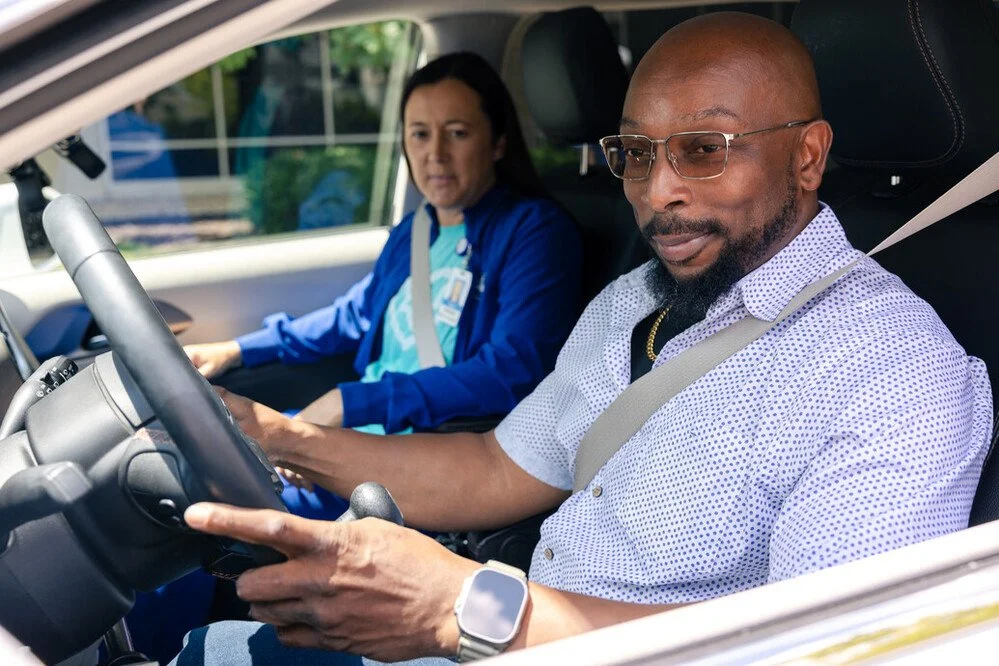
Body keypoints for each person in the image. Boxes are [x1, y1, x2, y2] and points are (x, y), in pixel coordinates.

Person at [170, 12, 992, 666]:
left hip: (496, 628)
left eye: (704, 150)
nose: (658, 192)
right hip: (501, 631)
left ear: (807, 156)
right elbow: (496, 467)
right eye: (636, 153)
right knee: (196, 650)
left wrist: (464, 607)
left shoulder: (894, 373)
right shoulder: (632, 300)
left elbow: (816, 650)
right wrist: (278, 437)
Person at [129, 52, 583, 664]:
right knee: (173, 500)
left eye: (458, 133)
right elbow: (350, 318)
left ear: (499, 141)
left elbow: (511, 370)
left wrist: (352, 401)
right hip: (346, 442)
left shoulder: (533, 231)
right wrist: (237, 347)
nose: (435, 155)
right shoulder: (414, 232)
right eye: (420, 134)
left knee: (197, 525)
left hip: (418, 461)